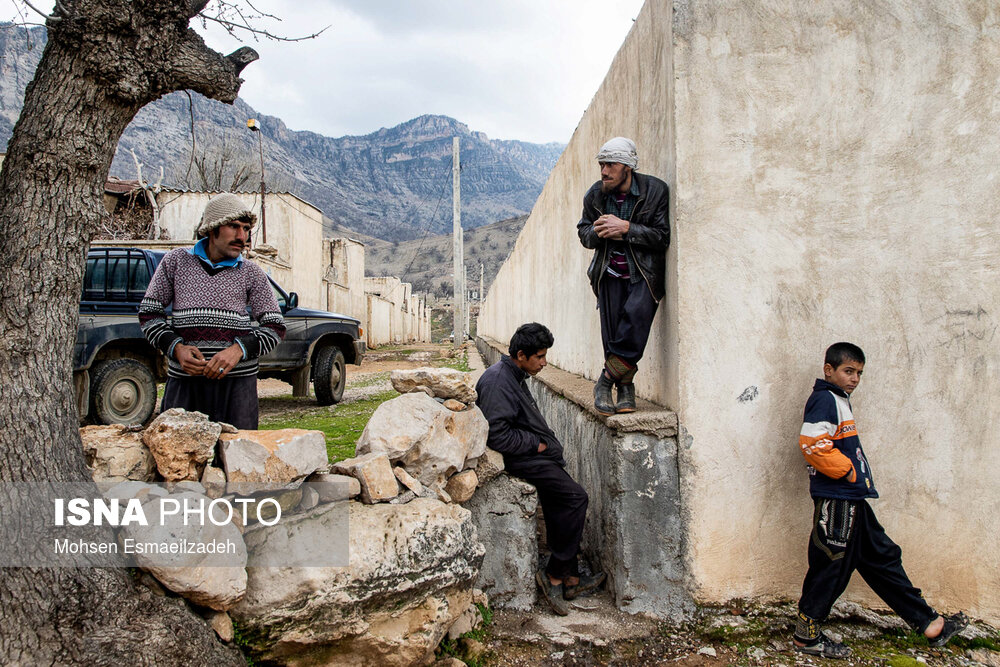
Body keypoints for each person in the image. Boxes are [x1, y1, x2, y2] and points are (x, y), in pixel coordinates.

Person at [793, 342, 967, 659]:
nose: (855, 378)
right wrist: (847, 473)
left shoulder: (838, 400)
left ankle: (929, 623)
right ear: (828, 370)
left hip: (852, 497)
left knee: (882, 557)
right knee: (831, 564)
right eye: (848, 371)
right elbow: (812, 444)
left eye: (859, 373)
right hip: (838, 499)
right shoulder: (824, 399)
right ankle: (807, 635)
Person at [475, 322, 605, 615]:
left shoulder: (513, 374)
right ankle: (554, 575)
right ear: (521, 355)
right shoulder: (498, 382)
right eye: (540, 357)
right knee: (575, 498)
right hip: (522, 458)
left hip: (532, 456)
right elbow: (497, 434)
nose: (545, 363)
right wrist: (538, 445)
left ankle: (571, 578)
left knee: (561, 503)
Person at [139, 193, 285, 429]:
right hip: (185, 384)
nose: (242, 237)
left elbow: (275, 326)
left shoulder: (252, 273)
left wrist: (238, 350)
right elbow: (149, 313)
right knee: (178, 457)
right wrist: (176, 348)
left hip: (237, 387)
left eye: (246, 229)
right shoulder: (175, 262)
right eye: (234, 227)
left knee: (238, 457)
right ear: (212, 228)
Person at [577, 137, 670, 416]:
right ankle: (626, 389)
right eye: (601, 164)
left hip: (643, 274)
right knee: (613, 334)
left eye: (610, 165)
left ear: (628, 167)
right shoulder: (594, 195)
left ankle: (605, 382)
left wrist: (627, 228)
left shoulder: (655, 191)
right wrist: (597, 231)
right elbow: (584, 233)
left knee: (634, 326)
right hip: (608, 274)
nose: (604, 171)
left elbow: (662, 237)